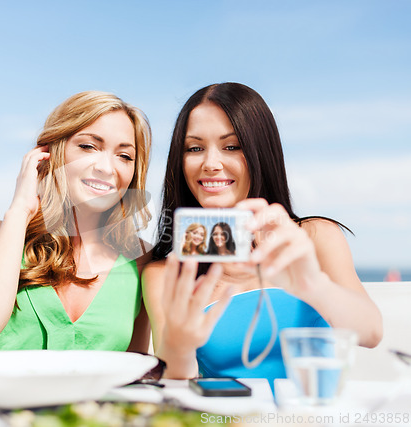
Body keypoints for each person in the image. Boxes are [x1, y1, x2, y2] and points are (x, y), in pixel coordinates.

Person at [142, 82, 383, 383]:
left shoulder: (315, 236)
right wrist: (179, 348)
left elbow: (371, 332)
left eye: (232, 146)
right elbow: (177, 385)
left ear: (261, 152)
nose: (210, 164)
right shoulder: (165, 272)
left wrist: (312, 285)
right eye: (194, 148)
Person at [0, 91, 152, 388]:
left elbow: (131, 374)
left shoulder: (142, 258)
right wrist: (20, 210)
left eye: (124, 156)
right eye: (87, 146)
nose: (107, 168)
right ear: (50, 153)